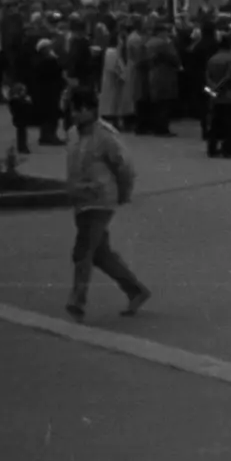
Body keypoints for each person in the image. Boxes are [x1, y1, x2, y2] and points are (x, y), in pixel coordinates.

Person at [61, 86, 151, 320]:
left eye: (80, 110)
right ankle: (136, 290)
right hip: (81, 200)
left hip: (100, 200)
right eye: (73, 110)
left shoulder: (105, 136)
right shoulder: (72, 133)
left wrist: (123, 193)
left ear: (91, 110)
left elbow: (124, 168)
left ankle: (77, 300)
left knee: (82, 249)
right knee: (100, 254)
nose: (76, 115)